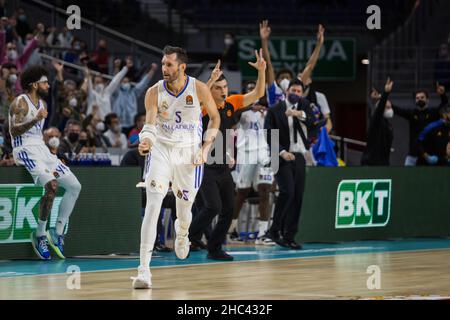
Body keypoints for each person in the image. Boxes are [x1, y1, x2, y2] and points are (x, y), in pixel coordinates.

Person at [131, 46, 220, 289]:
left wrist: (205, 149)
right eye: (163, 64)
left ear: (182, 67)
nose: (164, 69)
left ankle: (182, 233)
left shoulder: (199, 89)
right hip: (161, 150)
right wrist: (145, 140)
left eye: (169, 65)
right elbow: (149, 122)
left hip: (189, 154)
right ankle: (143, 270)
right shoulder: (154, 92)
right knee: (153, 205)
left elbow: (215, 118)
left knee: (184, 207)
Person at [189, 51, 266, 261]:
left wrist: (262, 71)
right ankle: (188, 236)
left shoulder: (232, 103)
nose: (223, 91)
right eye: (218, 88)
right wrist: (210, 80)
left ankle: (214, 248)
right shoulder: (203, 108)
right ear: (209, 91)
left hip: (223, 165)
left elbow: (257, 94)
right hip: (204, 165)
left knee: (228, 209)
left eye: (225, 87)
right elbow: (196, 100)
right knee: (212, 207)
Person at [8, 65, 81, 260]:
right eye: (44, 82)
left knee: (75, 186)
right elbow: (13, 132)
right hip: (24, 150)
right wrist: (35, 120)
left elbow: (38, 134)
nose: (48, 85)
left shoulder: (43, 105)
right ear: (34, 84)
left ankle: (57, 232)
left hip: (42, 150)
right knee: (52, 186)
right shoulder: (20, 103)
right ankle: (40, 233)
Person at [264, 79, 315, 249]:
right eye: (293, 90)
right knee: (287, 192)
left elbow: (313, 121)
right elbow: (270, 134)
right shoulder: (275, 110)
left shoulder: (305, 106)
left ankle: (289, 236)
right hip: (280, 155)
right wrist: (281, 152)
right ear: (287, 90)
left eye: (299, 91)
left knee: (297, 196)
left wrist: (298, 114)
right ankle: (274, 229)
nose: (296, 93)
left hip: (299, 156)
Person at [231, 98, 275, 245]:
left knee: (265, 190)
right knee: (242, 192)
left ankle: (262, 234)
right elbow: (232, 120)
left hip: (264, 154)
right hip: (246, 153)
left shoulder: (268, 113)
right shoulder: (242, 111)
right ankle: (232, 230)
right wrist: (249, 108)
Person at [260, 20, 324, 107]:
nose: (285, 80)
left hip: (293, 119)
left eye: (287, 77)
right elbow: (268, 65)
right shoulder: (274, 90)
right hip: (275, 120)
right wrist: (264, 40)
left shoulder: (296, 89)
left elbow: (309, 67)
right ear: (277, 80)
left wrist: (319, 44)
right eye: (282, 78)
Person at [391, 83, 447, 166]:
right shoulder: (412, 114)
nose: (419, 99)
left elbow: (444, 104)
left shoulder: (433, 113)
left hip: (429, 155)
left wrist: (442, 94)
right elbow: (398, 110)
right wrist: (385, 98)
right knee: (406, 178)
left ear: (427, 99)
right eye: (417, 98)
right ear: (415, 101)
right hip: (413, 155)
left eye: (422, 97)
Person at [361, 77, 395, 166]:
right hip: (371, 163)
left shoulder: (388, 124)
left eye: (390, 107)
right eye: (387, 107)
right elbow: (379, 109)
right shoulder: (376, 120)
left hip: (383, 162)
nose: (390, 109)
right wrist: (385, 93)